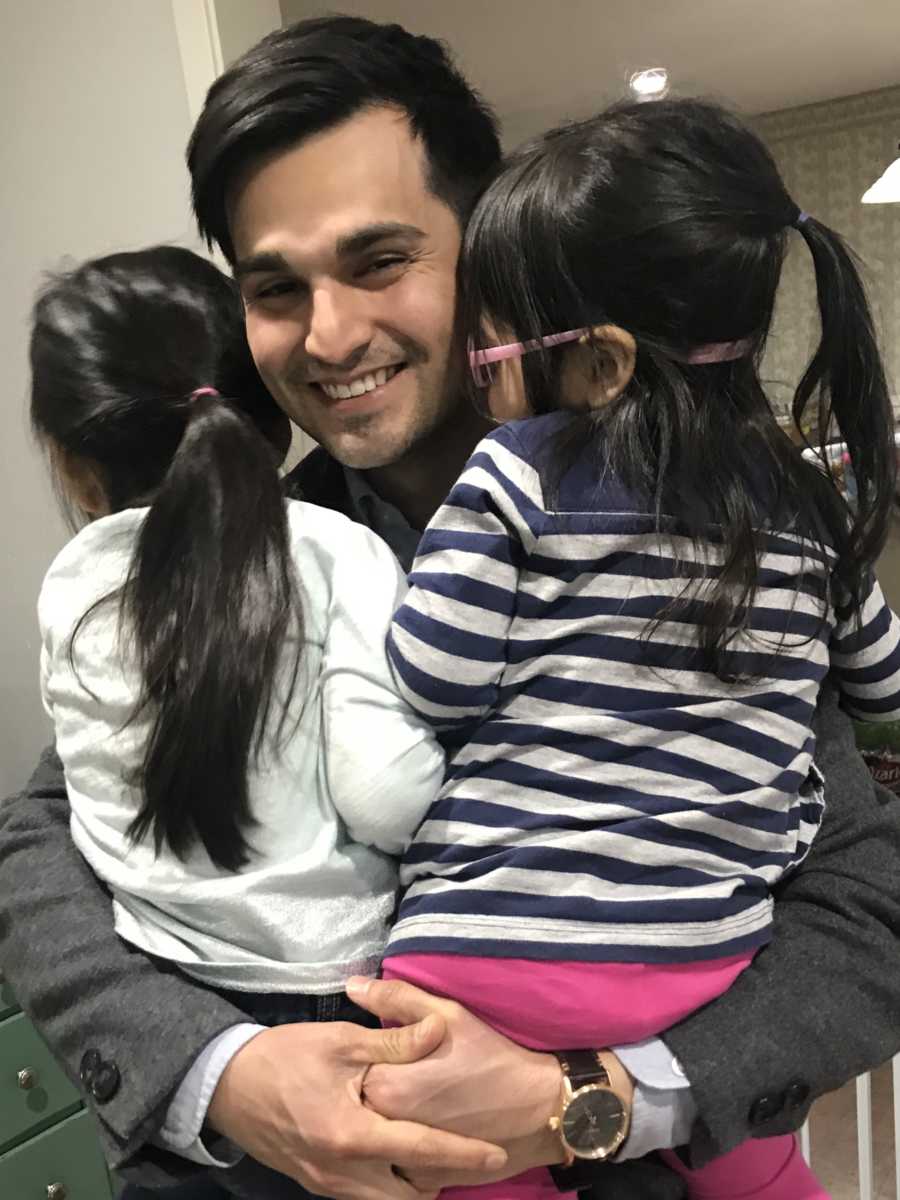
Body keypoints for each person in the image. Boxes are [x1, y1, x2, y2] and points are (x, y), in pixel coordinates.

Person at [2, 17, 900, 1200]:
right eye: (276, 288)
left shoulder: (692, 528)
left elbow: (865, 901)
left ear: (489, 252)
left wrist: (603, 1098)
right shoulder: (235, 552)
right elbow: (39, 843)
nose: (329, 339)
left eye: (380, 262)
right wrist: (229, 1075)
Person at [383, 97, 900, 1200]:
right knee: (755, 1163)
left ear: (605, 362)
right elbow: (884, 683)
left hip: (485, 958)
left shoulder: (518, 469)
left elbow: (434, 678)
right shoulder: (809, 504)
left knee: (467, 1171)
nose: (485, 371)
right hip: (709, 965)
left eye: (497, 346)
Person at [31, 244, 509, 1197]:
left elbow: (81, 809)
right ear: (265, 417)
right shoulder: (336, 549)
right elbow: (381, 794)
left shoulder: (70, 585)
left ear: (75, 467)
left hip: (169, 1001)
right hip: (343, 994)